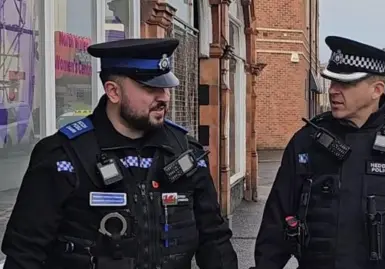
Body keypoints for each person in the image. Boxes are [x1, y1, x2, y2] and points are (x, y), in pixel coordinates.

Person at [1, 38, 238, 269]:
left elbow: (214, 240)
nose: (164, 97)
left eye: (165, 87)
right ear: (113, 92)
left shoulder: (184, 152)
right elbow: (25, 252)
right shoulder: (63, 156)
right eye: (150, 87)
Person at [252, 36, 385, 269]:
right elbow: (275, 225)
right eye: (332, 82)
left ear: (376, 90)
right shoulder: (307, 143)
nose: (333, 91)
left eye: (345, 84)